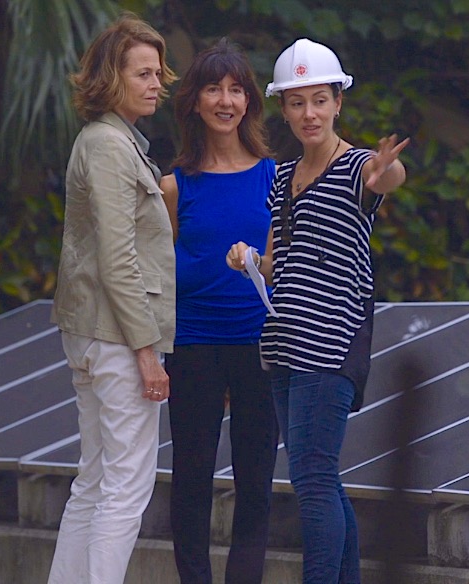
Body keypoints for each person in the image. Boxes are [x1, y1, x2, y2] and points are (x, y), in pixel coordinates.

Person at [226, 38, 409, 583]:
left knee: (310, 478)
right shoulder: (282, 178)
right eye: (298, 102)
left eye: (320, 100)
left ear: (338, 103)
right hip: (282, 342)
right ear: (284, 109)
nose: (310, 113)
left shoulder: (357, 168)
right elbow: (276, 261)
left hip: (331, 343)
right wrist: (247, 259)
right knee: (321, 479)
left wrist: (386, 174)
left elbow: (386, 180)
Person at [47, 12, 177, 584]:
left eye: (158, 73)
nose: (157, 84)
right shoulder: (107, 145)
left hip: (95, 331)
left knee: (96, 481)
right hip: (117, 334)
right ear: (112, 77)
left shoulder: (116, 142)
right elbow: (116, 256)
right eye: (143, 73)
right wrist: (146, 349)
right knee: (125, 486)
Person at [160, 38, 279, 584]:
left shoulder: (276, 178)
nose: (225, 100)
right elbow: (159, 273)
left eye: (236, 89)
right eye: (213, 88)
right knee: (191, 476)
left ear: (250, 101)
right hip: (194, 342)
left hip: (262, 342)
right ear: (196, 102)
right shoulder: (173, 185)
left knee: (256, 478)